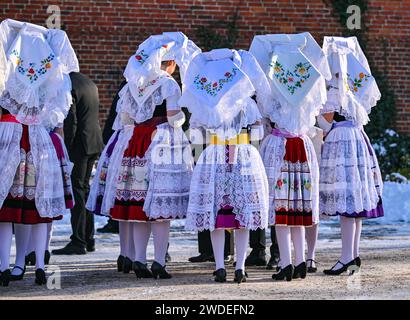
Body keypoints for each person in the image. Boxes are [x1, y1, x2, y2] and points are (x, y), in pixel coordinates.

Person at [86, 32, 199, 279]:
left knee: (136, 206)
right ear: (169, 63)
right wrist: (184, 116)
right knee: (160, 209)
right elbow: (173, 118)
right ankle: (159, 261)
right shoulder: (168, 83)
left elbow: (125, 119)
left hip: (133, 143)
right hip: (159, 143)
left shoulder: (131, 83)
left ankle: (138, 259)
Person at [183, 48, 271, 283]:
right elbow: (258, 131)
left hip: (213, 155)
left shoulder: (205, 100)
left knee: (217, 214)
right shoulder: (246, 102)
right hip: (243, 154)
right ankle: (240, 267)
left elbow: (195, 130)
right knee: (242, 216)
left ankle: (221, 266)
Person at [0, 19, 77, 285]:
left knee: (13, 208)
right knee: (33, 207)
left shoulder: (8, 67)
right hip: (39, 142)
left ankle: (11, 264)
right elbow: (58, 113)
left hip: (11, 140)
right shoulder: (52, 71)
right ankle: (38, 264)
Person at [250, 33, 331, 281]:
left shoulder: (272, 86)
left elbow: (265, 112)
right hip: (302, 146)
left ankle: (286, 263)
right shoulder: (312, 82)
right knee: (298, 212)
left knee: (282, 210)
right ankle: (300, 261)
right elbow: (317, 113)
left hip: (279, 146)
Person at [318, 36, 384, 275]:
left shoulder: (335, 91)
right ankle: (353, 254)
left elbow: (324, 124)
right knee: (354, 202)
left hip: (341, 143)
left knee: (347, 200)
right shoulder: (358, 87)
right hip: (358, 141)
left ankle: (347, 257)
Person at [52, 72, 104, 255]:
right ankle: (88, 239)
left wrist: (64, 150)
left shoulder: (67, 84)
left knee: (77, 191)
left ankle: (78, 241)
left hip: (79, 145)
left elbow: (71, 121)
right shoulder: (87, 81)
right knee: (84, 190)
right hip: (93, 140)